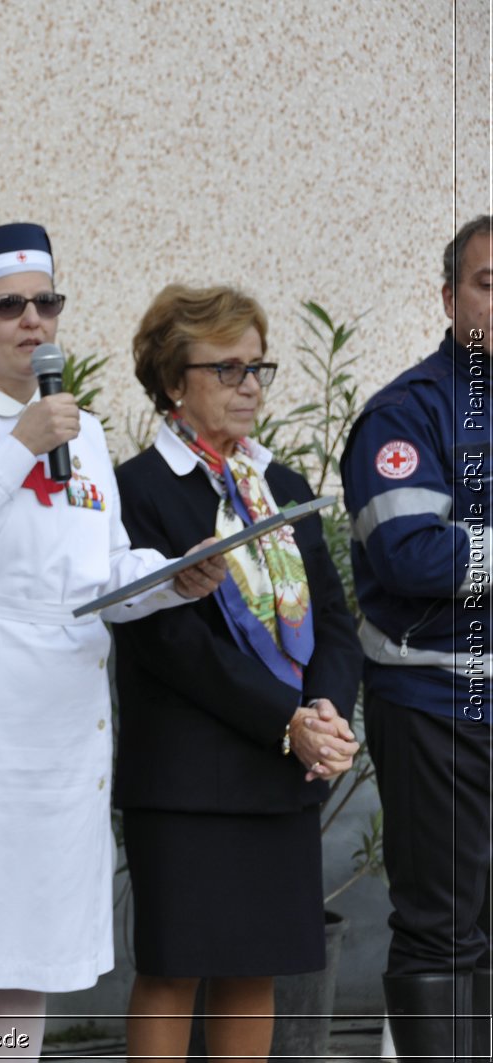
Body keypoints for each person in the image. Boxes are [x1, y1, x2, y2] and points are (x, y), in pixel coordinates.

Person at [0, 223, 227, 1061]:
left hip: (58, 722)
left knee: (30, 952)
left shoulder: (86, 432)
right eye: (9, 306)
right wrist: (20, 442)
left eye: (48, 304)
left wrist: (174, 575)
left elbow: (92, 573)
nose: (34, 322)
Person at [112, 284, 363, 1063]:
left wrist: (320, 710)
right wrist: (280, 716)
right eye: (227, 368)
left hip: (280, 762)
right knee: (173, 969)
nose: (250, 385)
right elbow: (171, 643)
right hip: (187, 773)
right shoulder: (139, 488)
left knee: (254, 969)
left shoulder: (279, 487)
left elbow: (334, 620)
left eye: (258, 367)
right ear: (172, 379)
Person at [340, 214, 493, 1063]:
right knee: (445, 930)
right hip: (440, 699)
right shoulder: (408, 412)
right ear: (449, 296)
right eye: (488, 283)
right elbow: (409, 554)